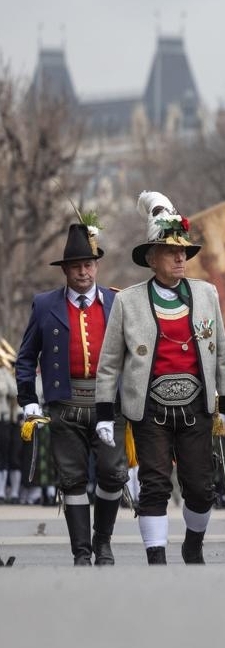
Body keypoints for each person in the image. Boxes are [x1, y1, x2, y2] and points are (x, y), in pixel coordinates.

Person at [94, 191, 225, 565]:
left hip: (197, 406)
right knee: (154, 485)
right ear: (151, 259)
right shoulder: (128, 301)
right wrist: (104, 413)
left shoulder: (206, 294)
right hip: (149, 408)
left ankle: (194, 544)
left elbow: (220, 349)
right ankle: (156, 557)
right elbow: (108, 364)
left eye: (184, 251)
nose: (180, 257)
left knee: (201, 489)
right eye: (171, 252)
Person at [14, 222, 128, 565]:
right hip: (64, 404)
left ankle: (103, 542)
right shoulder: (45, 304)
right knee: (72, 477)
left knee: (112, 472)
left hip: (109, 403)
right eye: (76, 265)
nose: (83, 271)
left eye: (88, 264)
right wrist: (28, 399)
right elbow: (25, 357)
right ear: (65, 269)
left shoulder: (117, 301)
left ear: (96, 266)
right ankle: (81, 551)